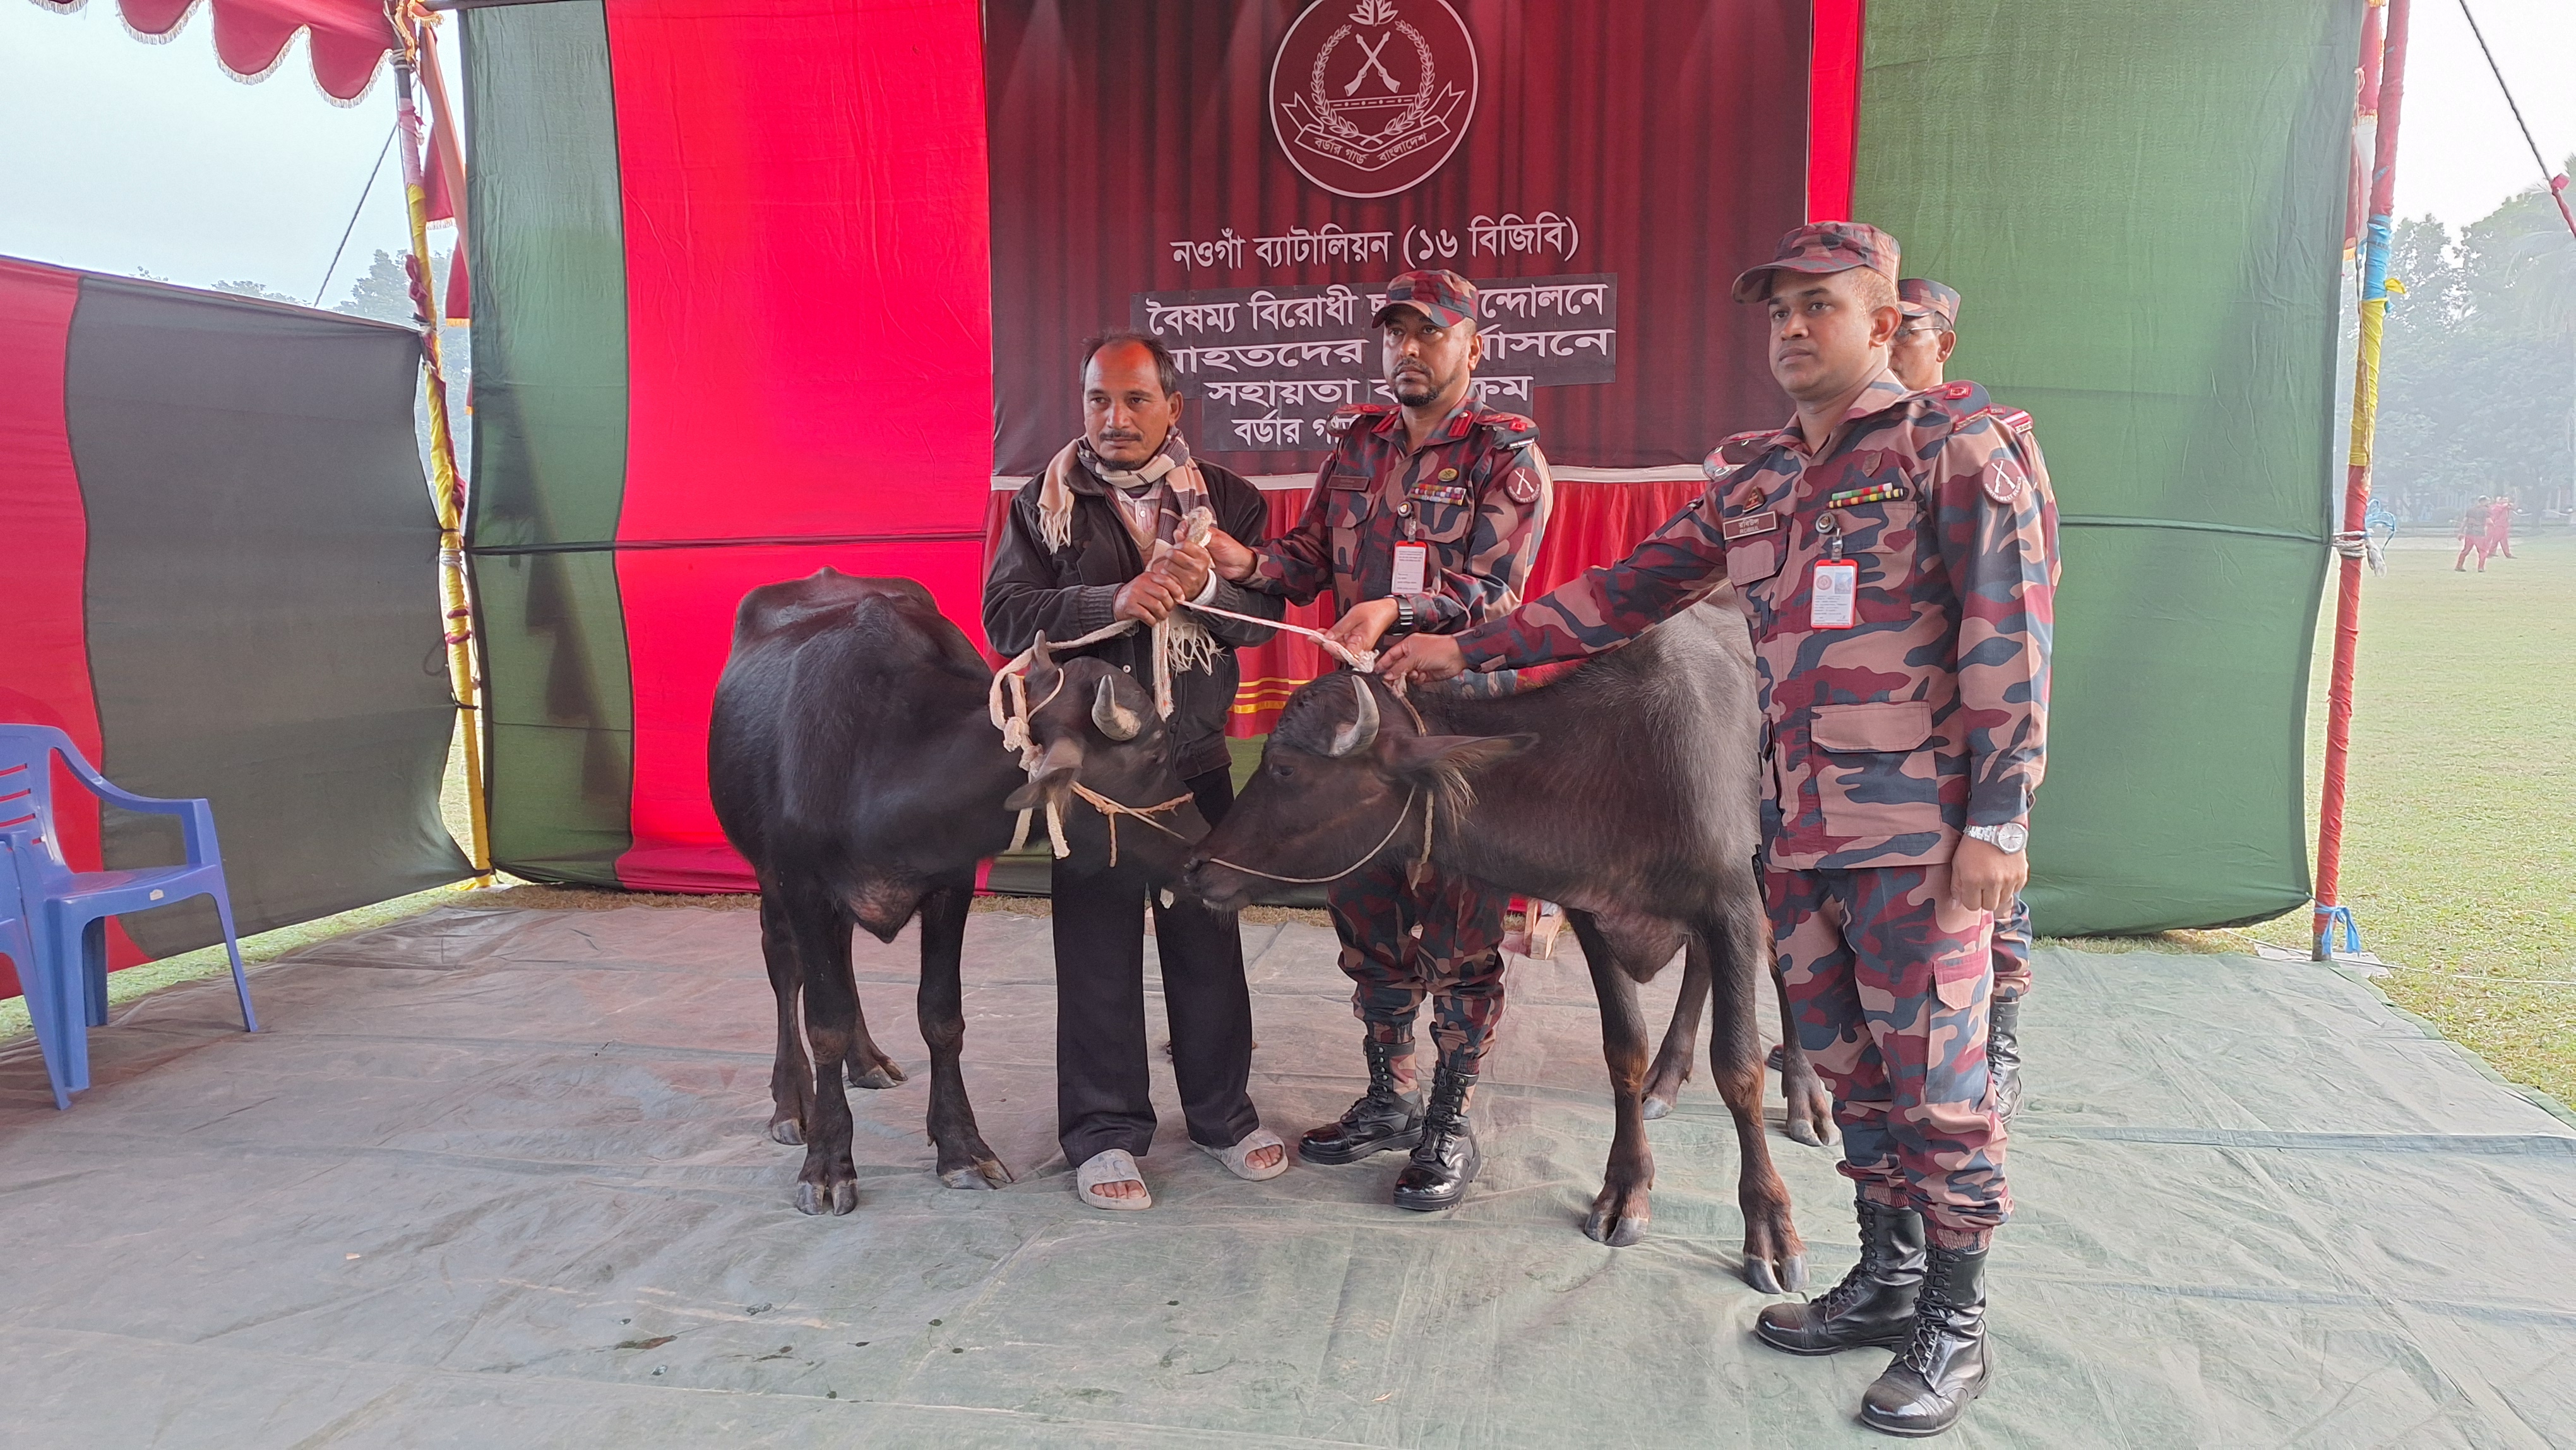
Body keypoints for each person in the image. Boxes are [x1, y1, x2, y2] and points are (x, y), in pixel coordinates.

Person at [1381, 224, 2049, 1438]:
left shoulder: (1958, 449)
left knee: (1937, 1089)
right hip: (1788, 835)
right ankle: (1887, 1275)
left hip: (1919, 839)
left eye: (1821, 307)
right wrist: (1466, 646)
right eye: (1778, 311)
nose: (1792, 329)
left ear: (1883, 315)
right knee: (1849, 1074)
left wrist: (1998, 825)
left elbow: (2009, 642)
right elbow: (1620, 594)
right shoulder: (1755, 476)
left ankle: (1956, 1321)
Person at [1203, 268, 1550, 1213]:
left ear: (1472, 348)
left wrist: (1401, 605)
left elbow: (1494, 595)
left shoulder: (1506, 454)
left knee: (1461, 938)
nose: (1408, 349)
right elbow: (1307, 558)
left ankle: (1448, 1115)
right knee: (1367, 921)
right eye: (1396, 334)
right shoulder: (1359, 445)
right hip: (1359, 730)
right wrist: (1247, 562)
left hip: (1453, 732)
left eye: (1428, 335)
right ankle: (1389, 1095)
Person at [983, 332, 1290, 1209]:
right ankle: (1104, 1133)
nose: (1113, 419)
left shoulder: (1227, 500)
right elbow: (1005, 618)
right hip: (1092, 778)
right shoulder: (1042, 503)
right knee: (1096, 952)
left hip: (1191, 758)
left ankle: (1225, 1116)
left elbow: (1264, 620)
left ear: (1173, 408)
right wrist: (1109, 601)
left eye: (1134, 400)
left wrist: (1204, 592)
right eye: (1096, 400)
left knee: (1208, 941)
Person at [1887, 275, 2056, 1121]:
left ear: (1943, 343)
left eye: (1907, 330)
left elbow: (2025, 592)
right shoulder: (1862, 448)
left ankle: (1998, 1034)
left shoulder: (1989, 443)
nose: (1889, 347)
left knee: (1992, 890)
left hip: (1977, 706)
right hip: (1890, 737)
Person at [2457, 496, 2493, 572]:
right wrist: (2494, 527)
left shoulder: (2471, 510)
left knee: (2466, 550)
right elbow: (2489, 521)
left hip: (2469, 533)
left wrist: (2461, 532)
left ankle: (2459, 566)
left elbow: (2465, 521)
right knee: (2483, 551)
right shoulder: (2486, 510)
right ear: (2483, 502)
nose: (2489, 503)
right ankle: (2481, 568)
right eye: (2488, 501)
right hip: (2479, 534)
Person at [2486, 493, 2515, 560]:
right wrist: (2507, 504)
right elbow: (2500, 508)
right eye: (2501, 499)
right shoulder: (2495, 507)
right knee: (2496, 540)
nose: (2503, 500)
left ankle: (2508, 554)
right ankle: (2490, 553)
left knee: (2504, 541)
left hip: (2504, 526)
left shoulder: (2505, 507)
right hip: (2498, 525)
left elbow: (2513, 507)